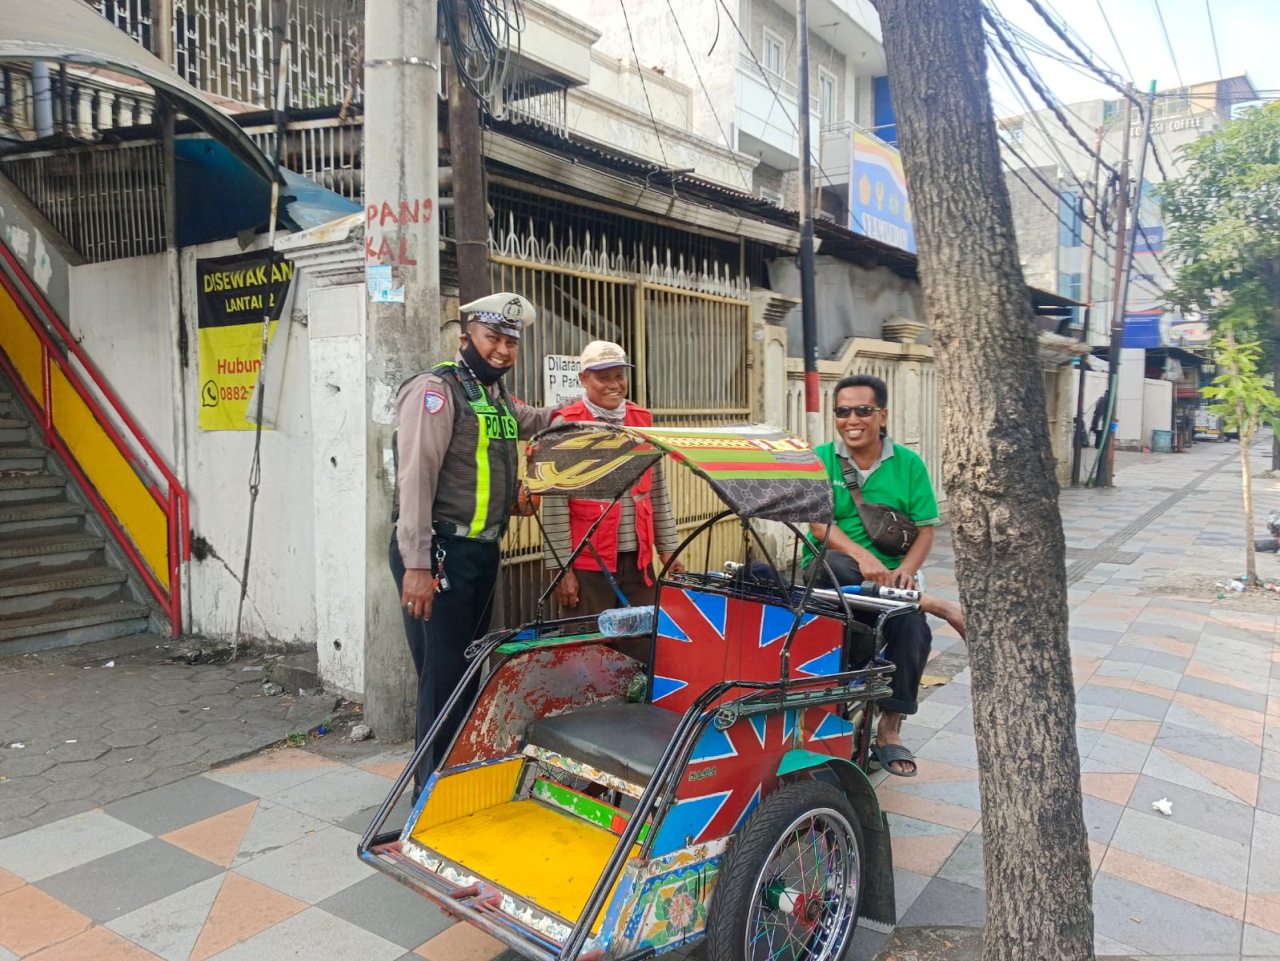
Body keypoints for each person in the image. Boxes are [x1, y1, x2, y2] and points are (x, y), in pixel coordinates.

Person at [390, 293, 561, 794]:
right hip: (438, 554)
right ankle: (427, 797)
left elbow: (537, 421)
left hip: (480, 553)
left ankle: (453, 782)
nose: (503, 350)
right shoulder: (437, 391)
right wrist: (417, 566)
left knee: (468, 671)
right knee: (443, 679)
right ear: (467, 338)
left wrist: (591, 407)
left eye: (511, 342)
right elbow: (416, 480)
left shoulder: (495, 396)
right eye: (493, 339)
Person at [805, 374, 964, 777]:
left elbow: (926, 530)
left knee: (914, 629)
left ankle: (889, 728)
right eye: (843, 411)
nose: (852, 420)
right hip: (836, 572)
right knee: (835, 565)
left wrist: (906, 571)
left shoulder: (908, 464)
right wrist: (863, 557)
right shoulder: (821, 459)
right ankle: (934, 604)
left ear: (883, 415)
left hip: (893, 580)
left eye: (863, 410)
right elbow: (820, 527)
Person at [543, 341, 684, 617]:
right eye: (603, 377)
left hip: (639, 560)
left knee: (641, 635)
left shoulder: (640, 422)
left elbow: (656, 489)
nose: (613, 385)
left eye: (619, 376)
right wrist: (562, 569)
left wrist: (669, 548)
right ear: (583, 379)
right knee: (590, 638)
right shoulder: (567, 426)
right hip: (587, 563)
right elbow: (555, 503)